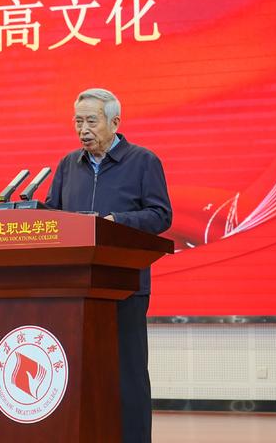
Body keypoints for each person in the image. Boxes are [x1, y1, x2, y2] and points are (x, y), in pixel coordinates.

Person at [45, 87, 172, 443]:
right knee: (79, 373)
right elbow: (53, 215)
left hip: (124, 285)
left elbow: (160, 215)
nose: (83, 130)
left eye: (91, 121)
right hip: (75, 288)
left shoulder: (143, 161)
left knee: (127, 374)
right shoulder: (68, 165)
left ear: (115, 122)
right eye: (77, 121)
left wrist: (115, 222)